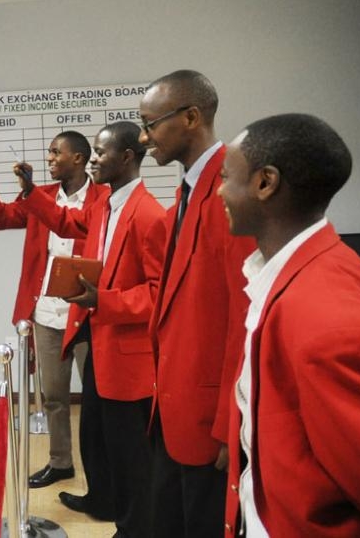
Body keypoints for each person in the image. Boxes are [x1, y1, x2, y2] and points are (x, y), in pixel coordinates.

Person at [218, 113, 360, 537]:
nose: (220, 190)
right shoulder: (281, 275)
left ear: (265, 183)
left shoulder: (323, 311)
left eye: (228, 177)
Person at [17, 122, 165, 534]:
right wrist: (31, 194)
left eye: (100, 152)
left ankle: (134, 526)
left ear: (128, 158)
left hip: (125, 351)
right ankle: (102, 498)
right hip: (96, 338)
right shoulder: (106, 205)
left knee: (130, 452)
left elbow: (157, 295)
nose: (94, 159)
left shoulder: (149, 214)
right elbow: (67, 223)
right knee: (97, 434)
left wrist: (104, 300)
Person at [138, 70, 256, 537]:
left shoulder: (232, 187)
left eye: (152, 123)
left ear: (191, 117)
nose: (145, 137)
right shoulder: (188, 188)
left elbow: (244, 317)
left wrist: (231, 424)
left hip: (210, 421)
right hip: (174, 406)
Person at [0, 131, 101, 489]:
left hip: (87, 314)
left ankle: (100, 471)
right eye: (49, 152)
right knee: (54, 396)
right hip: (45, 312)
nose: (50, 158)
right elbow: (3, 218)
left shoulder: (103, 197)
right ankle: (60, 463)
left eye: (57, 153)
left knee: (97, 399)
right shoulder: (39, 196)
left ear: (79, 158)